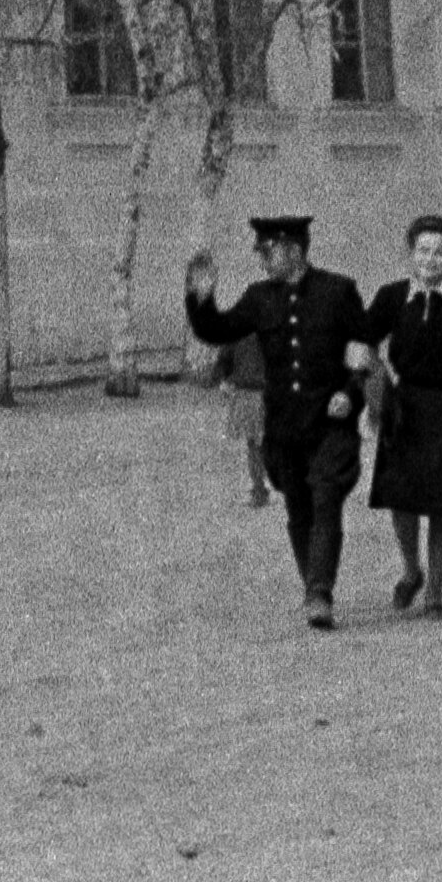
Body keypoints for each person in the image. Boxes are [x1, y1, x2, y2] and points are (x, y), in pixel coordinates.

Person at [186, 215, 375, 629]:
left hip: (331, 421)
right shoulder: (259, 297)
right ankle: (312, 585)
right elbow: (218, 329)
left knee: (326, 497)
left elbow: (362, 349)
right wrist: (200, 296)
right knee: (298, 506)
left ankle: (320, 592)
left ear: (293, 249)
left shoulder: (338, 290)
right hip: (285, 426)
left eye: (267, 252)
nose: (262, 260)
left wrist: (350, 391)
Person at [361, 214, 442, 615]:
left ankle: (434, 592)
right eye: (424, 250)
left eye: (440, 252)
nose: (431, 259)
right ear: (411, 253)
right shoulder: (392, 296)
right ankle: (412, 570)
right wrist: (377, 380)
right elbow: (362, 341)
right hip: (403, 411)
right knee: (402, 500)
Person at [212, 323, 271, 507]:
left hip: (248, 391)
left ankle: (259, 489)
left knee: (254, 444)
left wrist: (222, 379)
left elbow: (223, 359)